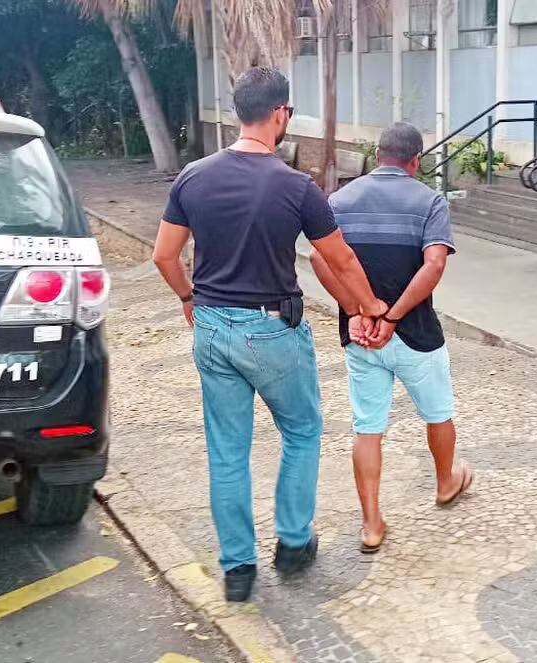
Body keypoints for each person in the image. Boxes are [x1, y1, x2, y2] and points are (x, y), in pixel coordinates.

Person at [152, 67, 387, 602]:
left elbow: (164, 255)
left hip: (211, 326)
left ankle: (238, 569)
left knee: (227, 451)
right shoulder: (295, 186)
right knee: (301, 430)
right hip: (273, 328)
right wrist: (371, 306)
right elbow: (341, 259)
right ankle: (293, 543)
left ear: (240, 112)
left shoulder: (193, 177)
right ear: (281, 113)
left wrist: (188, 297)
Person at [309, 122, 473, 554]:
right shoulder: (430, 201)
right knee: (438, 414)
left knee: (368, 428)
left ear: (378, 155)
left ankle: (371, 524)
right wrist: (394, 315)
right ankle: (445, 483)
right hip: (416, 332)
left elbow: (319, 259)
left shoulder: (339, 201)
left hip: (361, 335)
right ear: (416, 160)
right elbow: (434, 264)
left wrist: (357, 310)